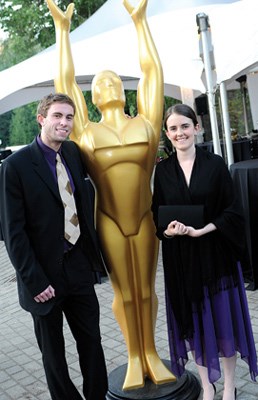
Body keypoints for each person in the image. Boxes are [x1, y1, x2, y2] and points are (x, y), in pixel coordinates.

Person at [46, 0, 176, 390]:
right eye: (100, 83)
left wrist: (141, 22)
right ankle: (134, 357)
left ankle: (152, 352)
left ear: (124, 89)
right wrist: (62, 32)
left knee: (147, 289)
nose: (108, 84)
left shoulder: (147, 125)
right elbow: (64, 85)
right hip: (110, 220)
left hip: (144, 217)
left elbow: (153, 70)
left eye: (114, 80)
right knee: (125, 291)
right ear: (93, 97)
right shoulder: (85, 133)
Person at [0, 93, 108, 400]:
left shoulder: (73, 153)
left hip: (79, 268)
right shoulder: (14, 166)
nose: (64, 123)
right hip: (43, 279)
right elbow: (14, 232)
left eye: (69, 117)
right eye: (58, 116)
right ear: (42, 119)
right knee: (54, 356)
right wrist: (34, 281)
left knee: (92, 344)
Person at [151, 104, 258, 400]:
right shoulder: (162, 170)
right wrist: (167, 230)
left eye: (184, 126)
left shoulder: (215, 164)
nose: (179, 133)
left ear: (197, 127)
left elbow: (234, 211)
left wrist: (203, 229)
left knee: (223, 325)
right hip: (181, 261)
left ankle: (227, 387)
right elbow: (156, 213)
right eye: (173, 128)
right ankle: (207, 387)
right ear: (167, 134)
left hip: (216, 258)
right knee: (194, 327)